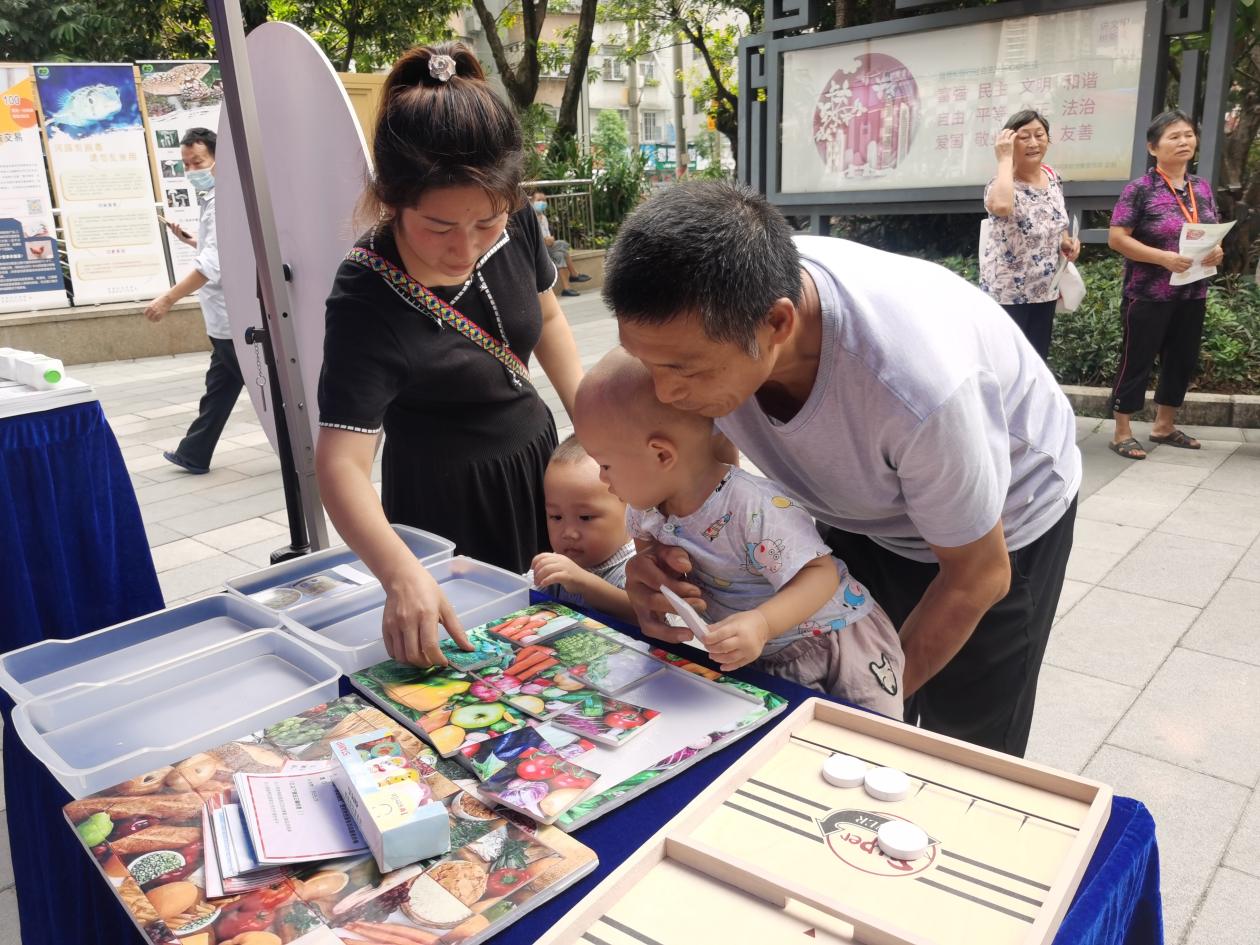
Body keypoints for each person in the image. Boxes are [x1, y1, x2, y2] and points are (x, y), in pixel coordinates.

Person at [605, 181, 1080, 756]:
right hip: (864, 502)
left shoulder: (916, 390)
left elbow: (978, 576)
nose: (664, 393)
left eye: (685, 370)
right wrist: (667, 567)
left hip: (1002, 523)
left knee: (960, 747)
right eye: (646, 362)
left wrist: (862, 707)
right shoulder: (715, 314)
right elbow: (711, 474)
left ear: (777, 325)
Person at [316, 43, 583, 667]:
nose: (465, 248)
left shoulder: (516, 219)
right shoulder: (365, 293)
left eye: (486, 223)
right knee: (476, 669)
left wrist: (598, 437)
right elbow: (341, 463)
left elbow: (547, 318)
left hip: (537, 464)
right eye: (438, 227)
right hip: (445, 497)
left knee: (559, 650)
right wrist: (399, 571)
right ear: (392, 201)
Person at [574, 348, 904, 717]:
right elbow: (654, 568)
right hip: (759, 651)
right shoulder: (644, 512)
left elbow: (820, 574)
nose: (602, 479)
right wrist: (656, 579)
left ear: (662, 454)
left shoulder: (752, 506)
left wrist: (762, 623)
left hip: (837, 639)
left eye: (605, 465)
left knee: (871, 738)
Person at [1106, 109, 1223, 460]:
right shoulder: (1140, 190)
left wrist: (1217, 250)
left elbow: (1211, 230)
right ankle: (1122, 430)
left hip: (1193, 289)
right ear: (1153, 147)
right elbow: (1117, 238)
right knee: (1137, 359)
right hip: (1148, 292)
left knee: (1181, 358)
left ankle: (1164, 425)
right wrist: (1162, 258)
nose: (1184, 141)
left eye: (1188, 135)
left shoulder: (1201, 187)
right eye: (1174, 136)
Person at [144, 127, 242, 474]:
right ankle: (194, 453)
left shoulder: (221, 202)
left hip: (233, 318)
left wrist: (167, 299)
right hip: (224, 320)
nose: (191, 170)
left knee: (270, 393)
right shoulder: (213, 198)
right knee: (221, 387)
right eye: (186, 164)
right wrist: (191, 241)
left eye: (197, 162)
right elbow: (220, 250)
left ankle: (308, 442)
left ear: (218, 159)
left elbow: (212, 266)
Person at [980, 110, 1081, 360]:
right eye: (1024, 137)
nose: (1034, 143)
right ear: (1010, 142)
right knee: (1007, 363)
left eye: (1039, 135)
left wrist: (1065, 242)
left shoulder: (1052, 176)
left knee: (1036, 361)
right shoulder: (999, 184)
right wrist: (1004, 160)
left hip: (1045, 289)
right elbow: (1002, 206)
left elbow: (1056, 219)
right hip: (1008, 294)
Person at [530, 434, 635, 621]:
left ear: (631, 508)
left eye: (585, 517)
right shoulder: (563, 561)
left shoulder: (638, 566)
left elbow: (645, 614)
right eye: (556, 517)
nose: (569, 533)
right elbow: (521, 590)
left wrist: (584, 583)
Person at [532, 190, 591, 297]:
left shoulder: (544, 218)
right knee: (563, 244)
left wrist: (550, 239)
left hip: (548, 248)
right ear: (532, 202)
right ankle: (574, 274)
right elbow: (533, 238)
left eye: (544, 200)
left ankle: (566, 289)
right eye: (539, 200)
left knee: (560, 254)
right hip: (538, 250)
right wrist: (545, 240)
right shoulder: (530, 218)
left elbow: (547, 235)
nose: (542, 202)